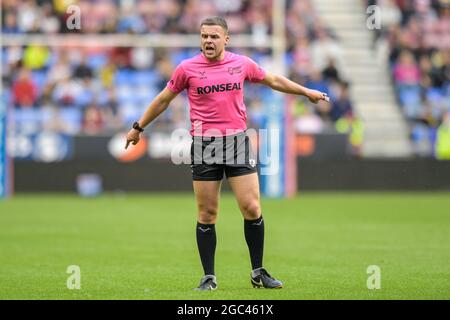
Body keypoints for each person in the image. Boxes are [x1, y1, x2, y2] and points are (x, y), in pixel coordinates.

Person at [125, 16, 329, 291]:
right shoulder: (186, 68)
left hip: (237, 142)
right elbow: (163, 99)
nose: (208, 41)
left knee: (252, 207)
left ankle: (258, 272)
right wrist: (138, 127)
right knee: (207, 213)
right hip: (205, 145)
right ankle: (208, 277)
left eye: (214, 36)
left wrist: (306, 92)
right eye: (204, 36)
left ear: (226, 39)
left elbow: (273, 80)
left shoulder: (241, 64)